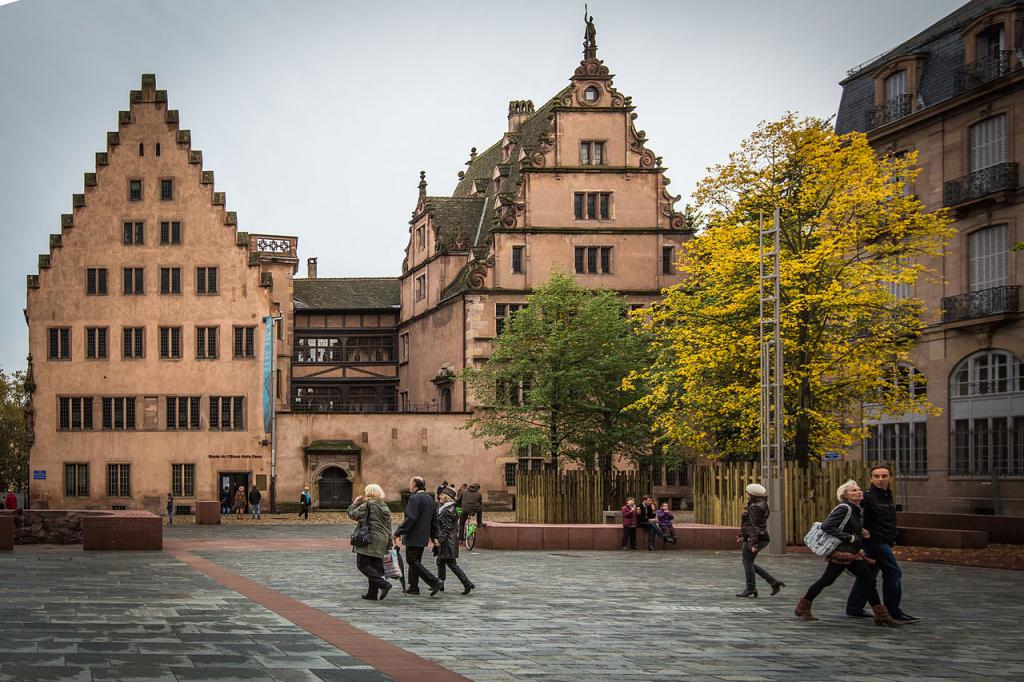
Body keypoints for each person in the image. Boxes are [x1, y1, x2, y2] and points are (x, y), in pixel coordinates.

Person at [794, 480, 900, 627]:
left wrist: (860, 532)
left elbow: (847, 526)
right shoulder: (844, 508)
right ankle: (803, 605)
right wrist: (849, 537)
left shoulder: (856, 509)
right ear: (846, 495)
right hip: (842, 554)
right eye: (854, 491)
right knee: (827, 580)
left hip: (852, 554)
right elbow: (827, 526)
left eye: (859, 489)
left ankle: (881, 615)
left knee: (868, 580)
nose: (859, 492)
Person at [845, 465, 920, 623]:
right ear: (871, 479)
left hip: (885, 540)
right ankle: (892, 610)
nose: (880, 479)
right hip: (875, 542)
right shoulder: (867, 497)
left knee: (868, 575)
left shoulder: (887, 496)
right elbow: (857, 519)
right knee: (893, 573)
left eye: (884, 476)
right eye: (877, 476)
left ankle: (854, 607)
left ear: (890, 478)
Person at [394, 476, 443, 596]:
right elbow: (434, 520)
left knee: (412, 560)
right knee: (416, 561)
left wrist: (398, 531)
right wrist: (433, 536)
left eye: (411, 483)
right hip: (423, 536)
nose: (410, 486)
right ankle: (414, 587)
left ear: (415, 485)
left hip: (414, 535)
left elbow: (411, 518)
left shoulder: (414, 498)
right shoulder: (429, 499)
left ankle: (434, 581)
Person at [735, 483, 783, 598]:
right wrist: (742, 534)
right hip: (757, 537)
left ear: (750, 494)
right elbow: (751, 524)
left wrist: (753, 543)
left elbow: (755, 526)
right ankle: (773, 582)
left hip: (756, 538)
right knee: (748, 563)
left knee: (747, 563)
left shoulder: (755, 507)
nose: (746, 494)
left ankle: (751, 588)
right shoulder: (760, 504)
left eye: (747, 492)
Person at [347, 483, 394, 601]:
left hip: (370, 539)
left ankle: (384, 584)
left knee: (362, 564)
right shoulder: (385, 507)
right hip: (382, 539)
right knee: (375, 566)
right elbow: (389, 526)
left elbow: (352, 514)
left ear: (369, 493)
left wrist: (355, 503)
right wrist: (389, 540)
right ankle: (372, 594)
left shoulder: (368, 505)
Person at [434, 486, 475, 595]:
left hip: (448, 540)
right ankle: (440, 584)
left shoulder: (447, 510)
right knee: (441, 561)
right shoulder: (447, 508)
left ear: (447, 497)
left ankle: (467, 583)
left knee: (451, 564)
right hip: (449, 539)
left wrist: (440, 540)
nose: (439, 496)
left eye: (442, 495)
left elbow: (446, 528)